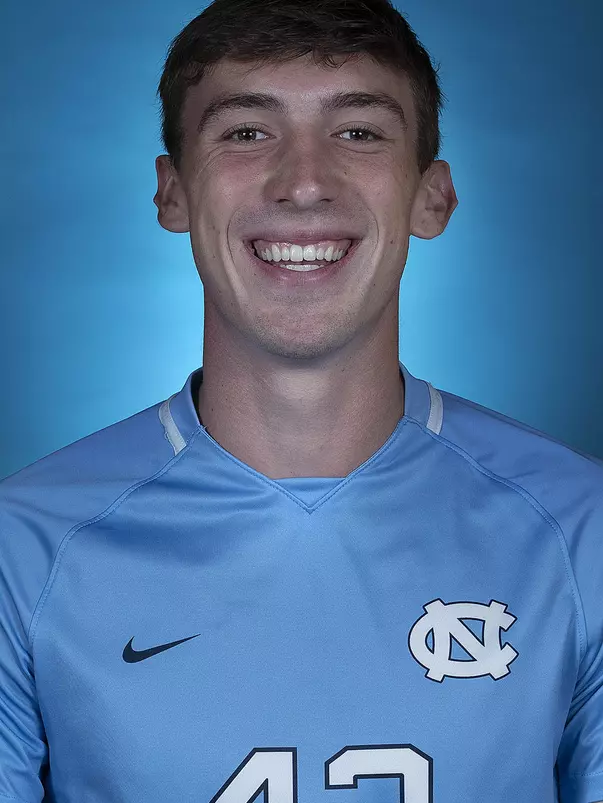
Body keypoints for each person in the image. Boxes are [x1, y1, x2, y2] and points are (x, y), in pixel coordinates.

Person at [0, 0, 601, 800]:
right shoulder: (23, 550)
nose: (304, 182)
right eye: (247, 131)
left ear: (432, 197)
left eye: (358, 131)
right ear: (172, 192)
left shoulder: (580, 531)